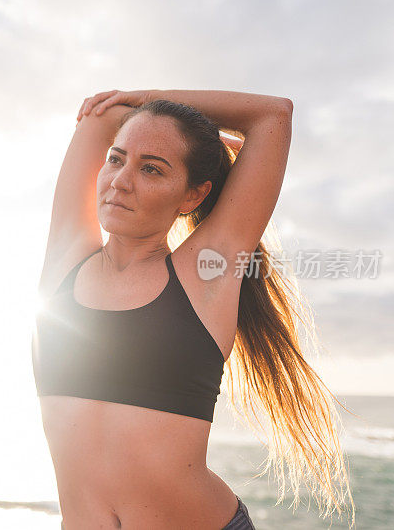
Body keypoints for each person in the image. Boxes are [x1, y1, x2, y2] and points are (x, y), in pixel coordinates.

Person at [31, 89, 355, 529]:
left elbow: (272, 115)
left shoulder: (206, 273)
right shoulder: (64, 263)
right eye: (116, 159)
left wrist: (142, 98)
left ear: (192, 195)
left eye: (151, 169)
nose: (121, 180)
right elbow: (98, 119)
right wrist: (155, 117)